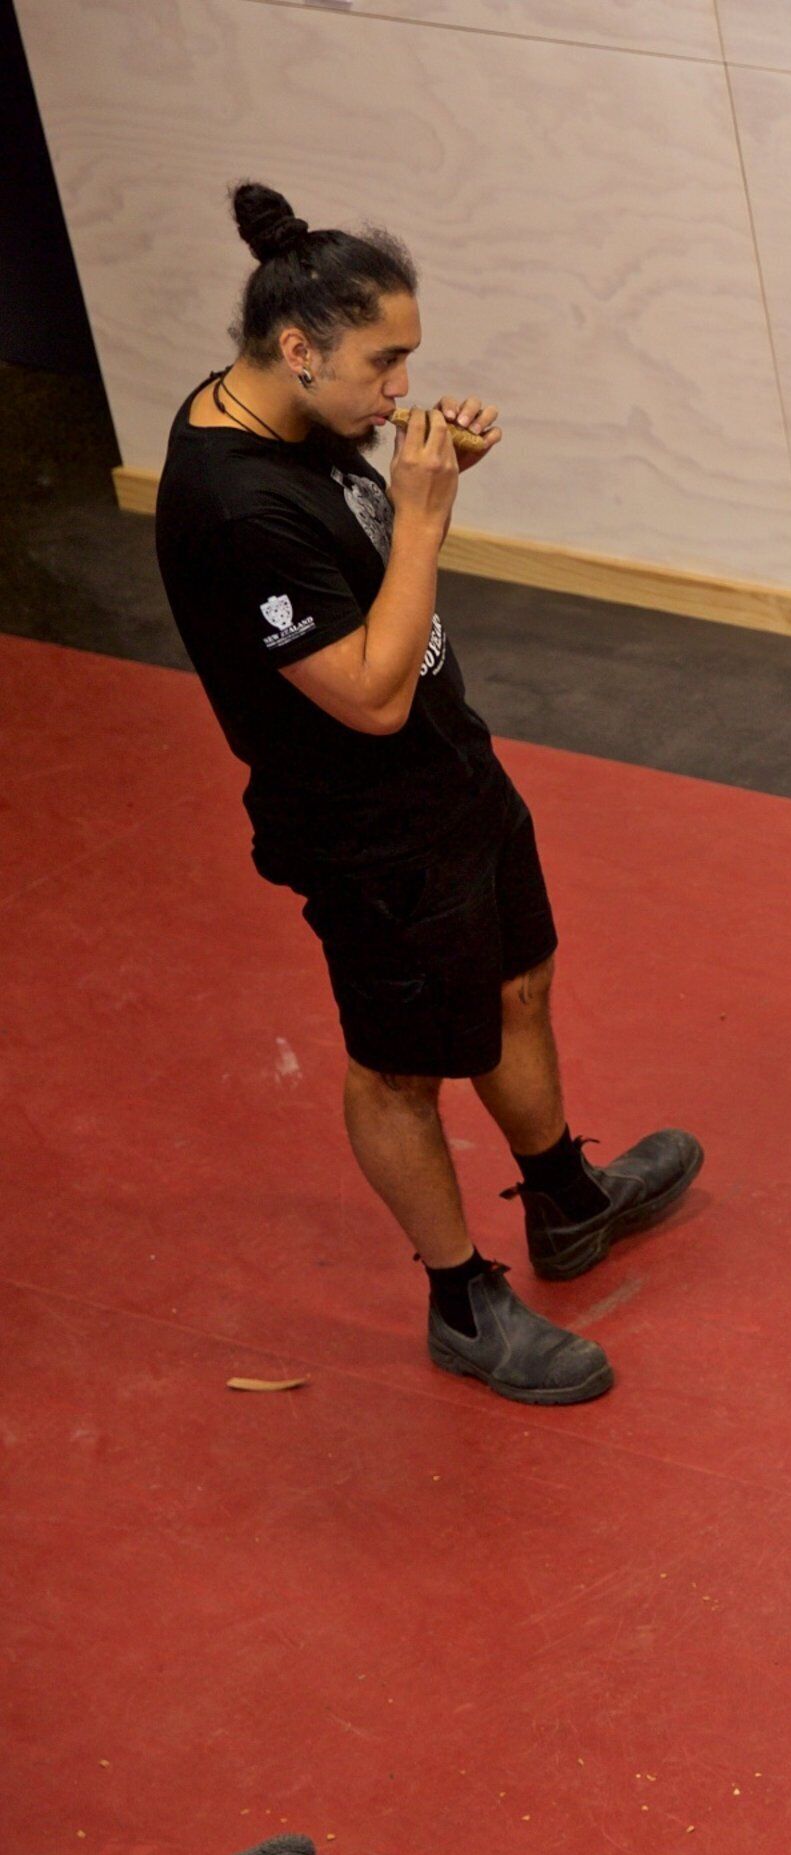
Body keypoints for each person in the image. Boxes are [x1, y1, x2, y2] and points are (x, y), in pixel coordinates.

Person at [152, 183, 699, 1405]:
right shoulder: (235, 507)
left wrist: (427, 477)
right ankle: (462, 1300)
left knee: (518, 983)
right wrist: (425, 519)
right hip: (366, 830)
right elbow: (367, 696)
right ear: (298, 351)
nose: (399, 390)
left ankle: (563, 1197)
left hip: (453, 775)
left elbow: (384, 603)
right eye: (383, 365)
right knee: (399, 1067)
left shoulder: (294, 415)